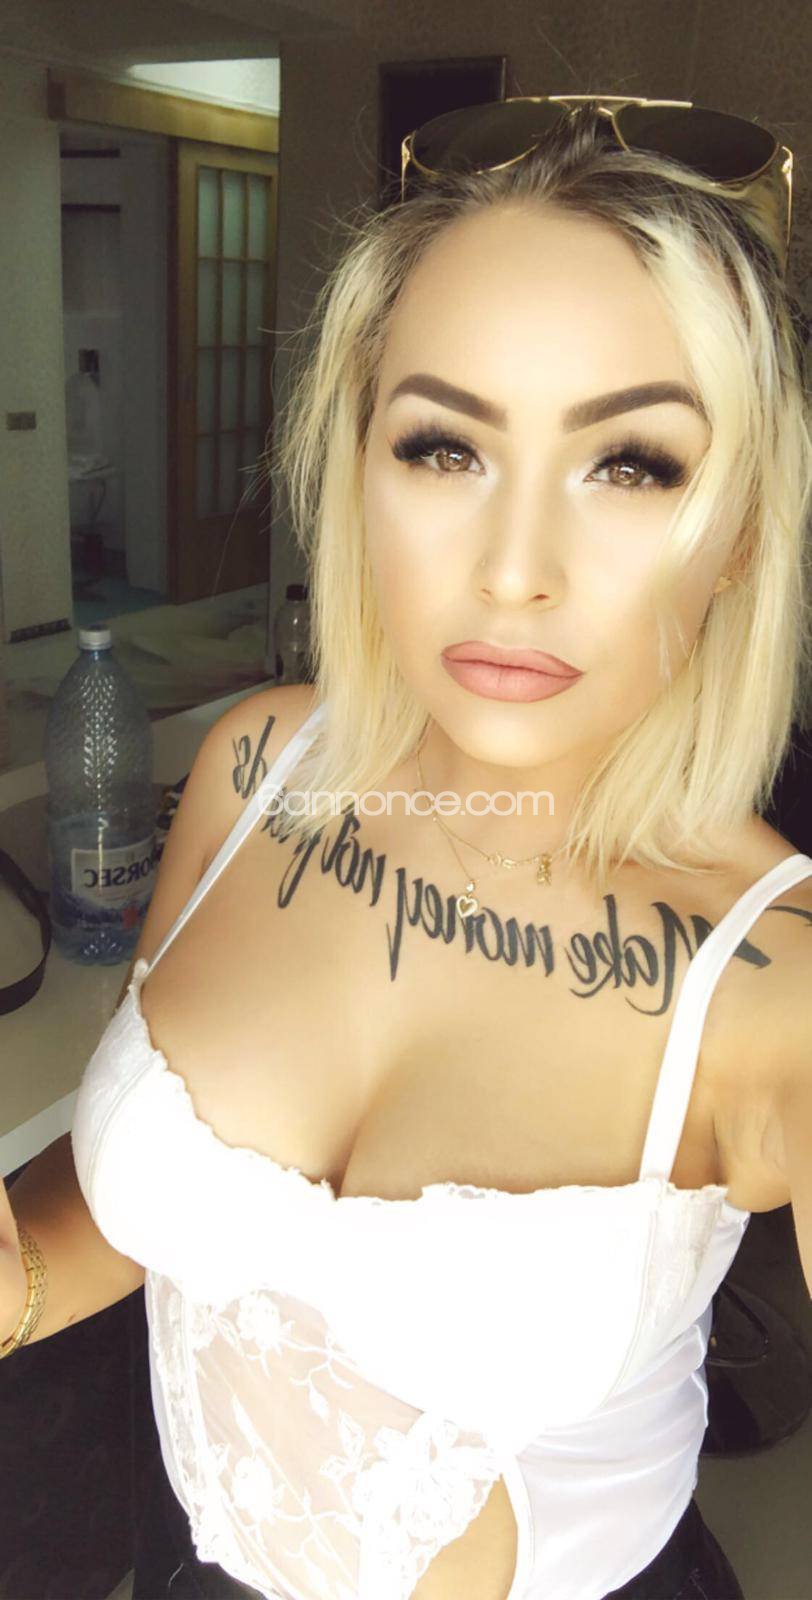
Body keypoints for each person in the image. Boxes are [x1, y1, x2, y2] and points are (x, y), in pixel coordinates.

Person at [2, 94, 812, 1600]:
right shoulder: (258, 769)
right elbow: (164, 1211)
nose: (514, 571)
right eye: (443, 447)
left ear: (748, 525)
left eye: (632, 464)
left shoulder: (775, 982)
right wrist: (18, 1273)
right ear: (357, 463)